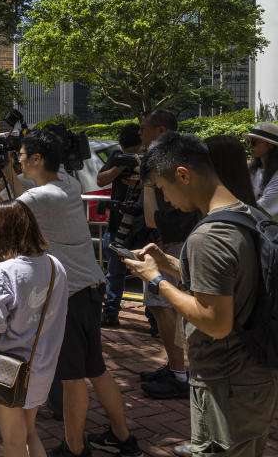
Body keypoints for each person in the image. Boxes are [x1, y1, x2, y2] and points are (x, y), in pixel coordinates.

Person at [0, 130, 140, 457]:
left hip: (72, 295)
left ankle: (75, 449)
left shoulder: (39, 198)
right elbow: (28, 195)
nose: (17, 160)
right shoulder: (66, 182)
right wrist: (8, 174)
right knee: (96, 368)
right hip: (88, 285)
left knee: (72, 376)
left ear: (37, 159)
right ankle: (123, 437)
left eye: (20, 156)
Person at [125, 131, 278, 457]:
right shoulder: (249, 214)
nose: (166, 200)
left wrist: (155, 281)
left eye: (164, 188)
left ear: (183, 174)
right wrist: (168, 264)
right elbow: (230, 284)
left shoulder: (209, 235)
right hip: (255, 376)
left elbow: (215, 321)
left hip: (225, 385)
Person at [0, 200, 69, 457]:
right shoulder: (56, 266)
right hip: (41, 366)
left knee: (13, 442)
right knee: (29, 432)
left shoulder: (4, 271)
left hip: (8, 369)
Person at [138, 109, 197, 399]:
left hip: (175, 241)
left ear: (160, 131)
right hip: (171, 241)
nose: (140, 134)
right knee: (162, 305)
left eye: (143, 128)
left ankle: (178, 373)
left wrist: (148, 183)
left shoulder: (172, 161)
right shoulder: (179, 155)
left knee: (164, 304)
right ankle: (175, 367)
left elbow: (152, 218)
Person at [97, 124, 147, 328]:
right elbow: (100, 180)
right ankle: (111, 312)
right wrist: (119, 166)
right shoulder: (116, 158)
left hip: (142, 229)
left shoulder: (149, 160)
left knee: (148, 275)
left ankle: (154, 318)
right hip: (116, 228)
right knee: (114, 274)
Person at [244, 122, 278, 217]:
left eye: (254, 142)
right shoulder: (254, 168)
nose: (249, 146)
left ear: (271, 145)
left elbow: (259, 208)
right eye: (248, 142)